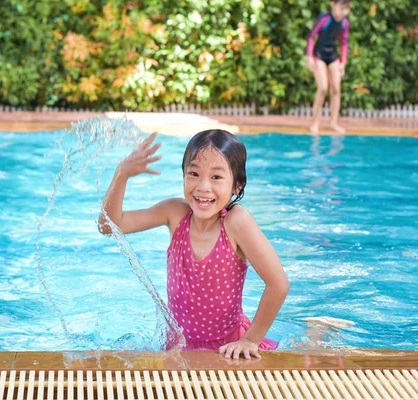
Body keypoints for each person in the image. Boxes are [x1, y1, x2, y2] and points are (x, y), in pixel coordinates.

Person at [98, 130, 290, 359]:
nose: (203, 187)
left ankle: (320, 328)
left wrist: (250, 340)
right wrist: (121, 175)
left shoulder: (236, 223)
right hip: (178, 346)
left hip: (227, 348)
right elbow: (109, 226)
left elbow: (278, 284)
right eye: (194, 173)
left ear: (236, 186)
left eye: (216, 177)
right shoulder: (175, 213)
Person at [306, 0, 351, 135]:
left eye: (346, 8)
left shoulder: (344, 23)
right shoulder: (324, 18)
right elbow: (312, 37)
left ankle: (333, 123)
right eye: (341, 7)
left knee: (336, 89)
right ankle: (314, 123)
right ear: (333, 4)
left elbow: (344, 42)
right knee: (323, 88)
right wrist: (309, 57)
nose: (343, 11)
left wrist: (343, 62)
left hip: (333, 57)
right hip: (319, 56)